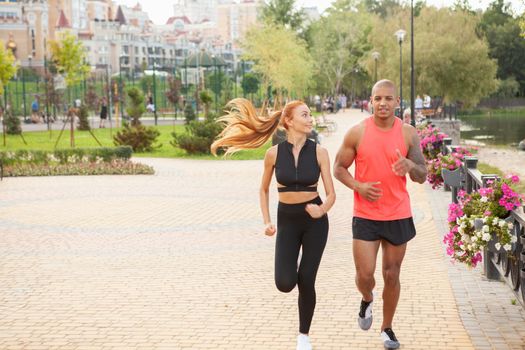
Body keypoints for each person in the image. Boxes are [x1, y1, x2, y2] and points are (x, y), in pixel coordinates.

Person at [211, 98, 336, 350]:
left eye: (310, 114)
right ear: (289, 121)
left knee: (307, 279)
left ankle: (303, 336)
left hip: (315, 223)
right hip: (287, 220)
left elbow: (332, 193)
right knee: (285, 283)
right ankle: (295, 262)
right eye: (305, 115)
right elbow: (264, 189)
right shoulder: (273, 154)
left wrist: (321, 209)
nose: (310, 119)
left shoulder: (320, 152)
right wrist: (267, 221)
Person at [333, 79, 427, 349]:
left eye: (388, 98)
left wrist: (410, 164)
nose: (383, 103)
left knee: (392, 274)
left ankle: (387, 328)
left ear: (397, 102)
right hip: (366, 214)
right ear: (370, 101)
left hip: (398, 213)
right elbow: (338, 168)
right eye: (378, 99)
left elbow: (422, 175)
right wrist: (358, 186)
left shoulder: (408, 134)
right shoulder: (357, 133)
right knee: (365, 275)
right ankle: (367, 299)